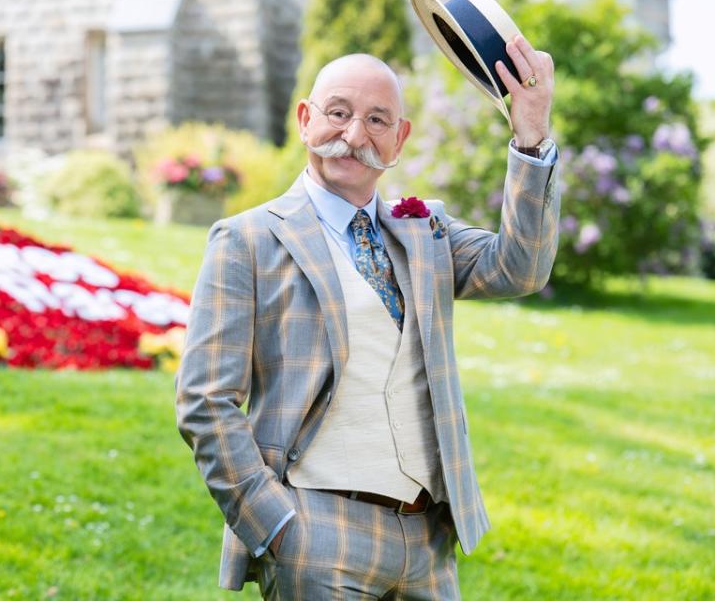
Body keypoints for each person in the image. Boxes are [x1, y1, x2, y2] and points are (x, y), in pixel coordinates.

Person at [176, 37, 560, 599]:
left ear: (399, 140)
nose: (354, 136)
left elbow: (520, 268)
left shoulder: (424, 231)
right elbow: (205, 401)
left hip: (427, 537)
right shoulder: (247, 240)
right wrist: (274, 525)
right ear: (306, 120)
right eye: (338, 113)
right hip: (315, 535)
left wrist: (532, 132)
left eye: (377, 120)